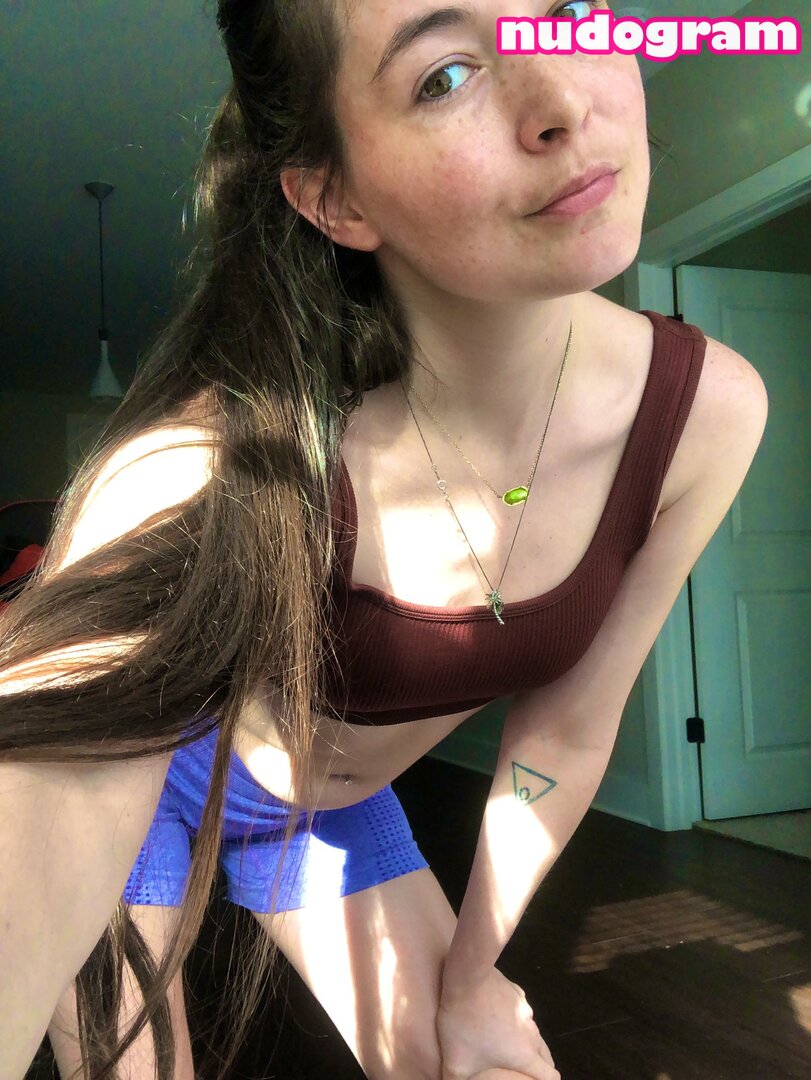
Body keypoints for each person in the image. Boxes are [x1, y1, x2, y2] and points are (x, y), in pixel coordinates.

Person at [0, 1, 769, 1078]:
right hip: (161, 782)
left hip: (329, 815)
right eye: (443, 76)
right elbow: (40, 777)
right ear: (336, 197)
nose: (559, 99)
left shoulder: (707, 414)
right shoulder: (197, 469)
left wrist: (473, 975)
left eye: (564, 14)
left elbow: (566, 730)